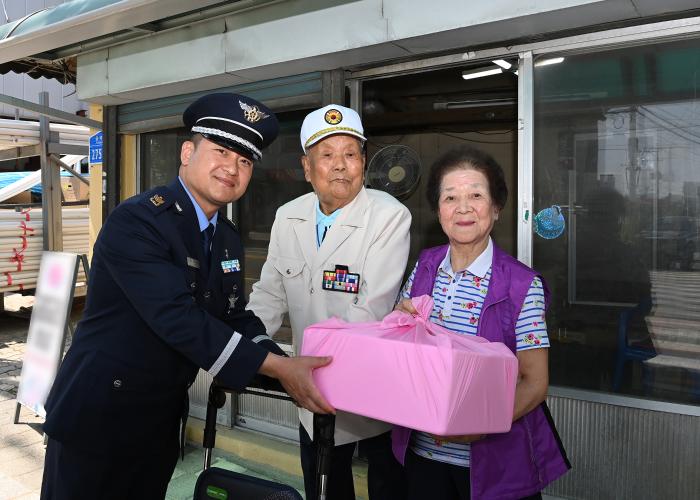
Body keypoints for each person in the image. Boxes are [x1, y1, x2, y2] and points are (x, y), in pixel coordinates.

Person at [40, 93, 334, 500]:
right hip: (98, 418)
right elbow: (177, 319)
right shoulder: (139, 220)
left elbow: (232, 317)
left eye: (245, 161)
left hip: (157, 422)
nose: (232, 168)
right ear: (186, 152)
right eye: (221, 151)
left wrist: (283, 364)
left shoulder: (225, 237)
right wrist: (278, 369)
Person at [246, 104, 411, 499]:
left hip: (373, 392)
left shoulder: (389, 216)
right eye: (327, 155)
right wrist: (249, 349)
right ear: (307, 167)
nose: (340, 165)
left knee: (387, 488)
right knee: (324, 489)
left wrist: (302, 368)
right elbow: (269, 293)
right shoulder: (288, 216)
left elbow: (370, 308)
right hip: (311, 397)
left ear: (364, 162)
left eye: (350, 154)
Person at [393, 146, 570, 500]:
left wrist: (482, 424)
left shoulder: (522, 285)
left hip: (496, 466)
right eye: (450, 197)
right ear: (438, 210)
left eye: (476, 195)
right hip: (424, 457)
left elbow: (534, 384)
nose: (463, 207)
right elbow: (406, 348)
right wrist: (400, 323)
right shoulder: (425, 265)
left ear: (496, 208)